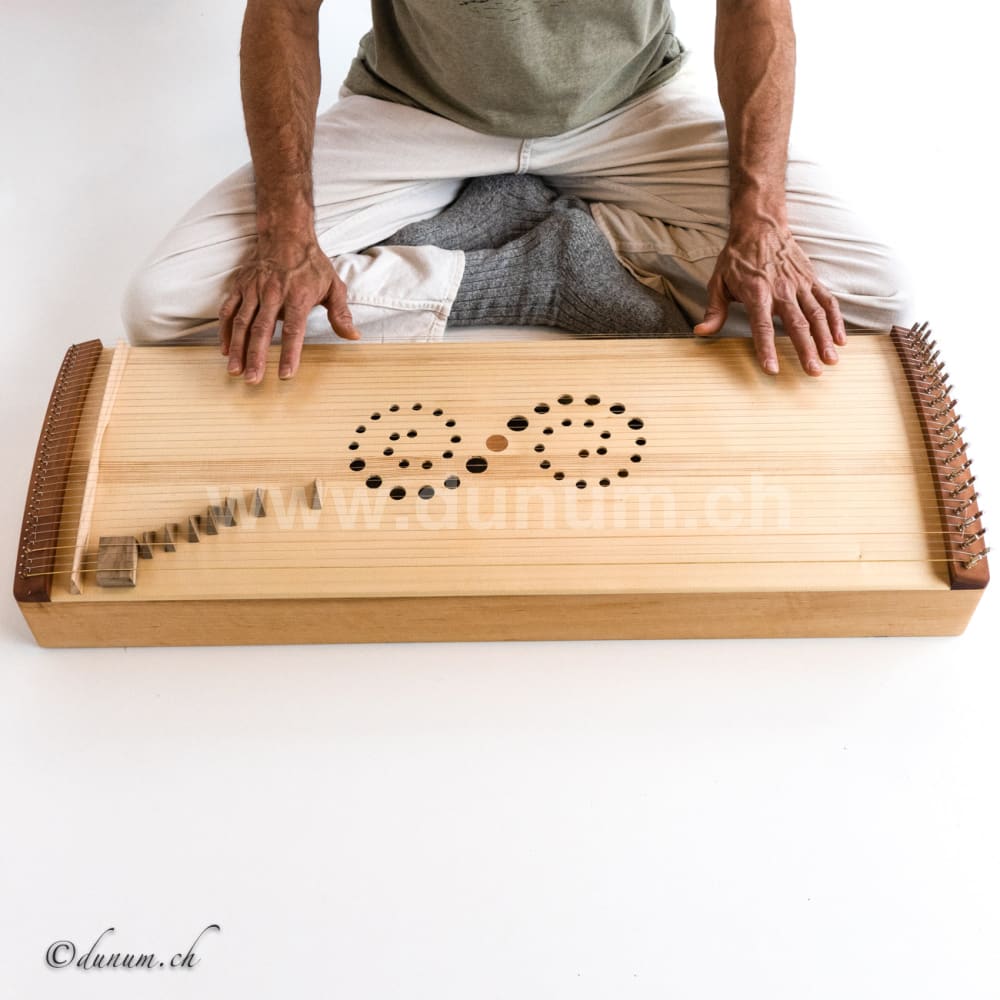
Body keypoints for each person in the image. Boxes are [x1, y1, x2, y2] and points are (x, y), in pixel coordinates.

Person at [122, 0, 908, 384]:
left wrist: (759, 220)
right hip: (415, 112)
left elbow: (754, 7)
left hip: (630, 111)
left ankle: (594, 240)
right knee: (166, 307)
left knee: (875, 293)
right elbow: (285, 11)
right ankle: (518, 272)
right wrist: (288, 233)